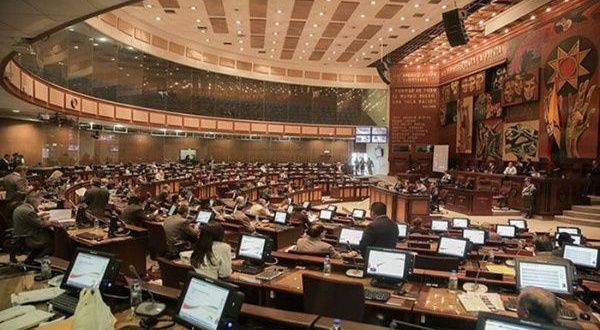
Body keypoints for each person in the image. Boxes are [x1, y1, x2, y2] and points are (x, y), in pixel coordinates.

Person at [13, 192, 58, 263]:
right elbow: (41, 224)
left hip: (21, 234)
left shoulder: (22, 207)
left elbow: (30, 219)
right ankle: (36, 261)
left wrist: (40, 216)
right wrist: (53, 222)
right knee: (53, 243)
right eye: (39, 201)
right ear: (34, 201)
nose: (40, 203)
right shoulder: (29, 211)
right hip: (30, 236)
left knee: (49, 235)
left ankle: (29, 260)